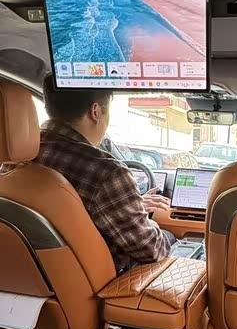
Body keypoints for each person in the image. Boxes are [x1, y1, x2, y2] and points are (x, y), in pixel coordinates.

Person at [36, 74, 174, 270]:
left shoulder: (14, 160)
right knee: (171, 240)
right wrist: (152, 223)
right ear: (96, 111)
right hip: (108, 282)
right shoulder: (108, 173)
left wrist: (130, 206)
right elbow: (153, 250)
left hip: (34, 276)